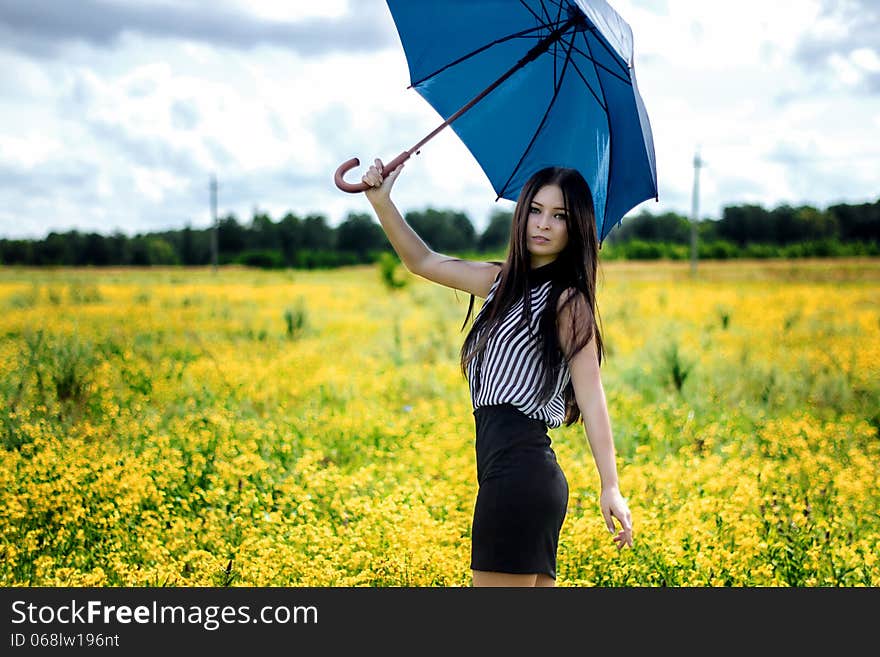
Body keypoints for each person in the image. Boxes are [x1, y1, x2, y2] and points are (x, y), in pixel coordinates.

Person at [361, 158, 633, 587]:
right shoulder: (498, 281)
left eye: (559, 215)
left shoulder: (567, 302)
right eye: (536, 210)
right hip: (512, 477)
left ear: (575, 226)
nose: (543, 224)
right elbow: (422, 261)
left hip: (519, 478)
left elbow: (593, 397)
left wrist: (610, 485)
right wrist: (381, 202)